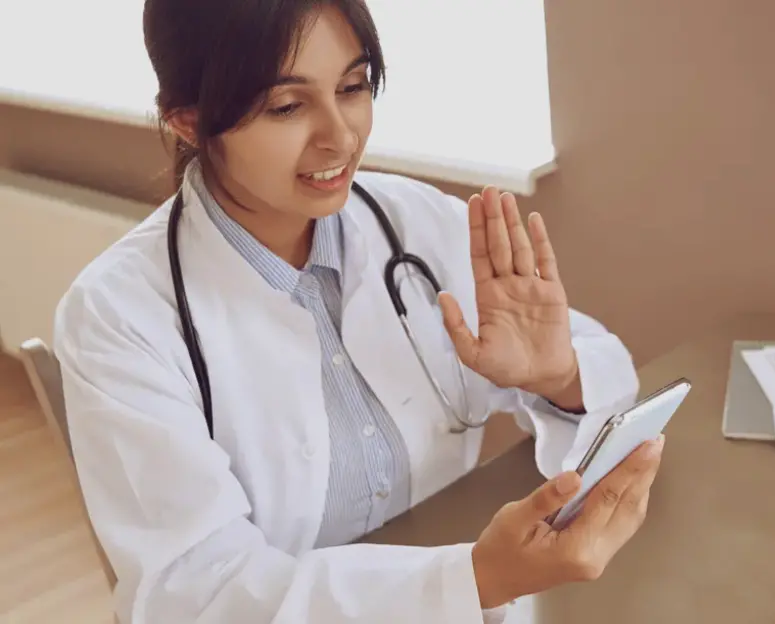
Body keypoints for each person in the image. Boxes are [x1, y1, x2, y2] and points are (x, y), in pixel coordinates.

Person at [53, 1, 665, 622]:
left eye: (352, 87)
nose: (341, 136)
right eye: (287, 106)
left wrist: (556, 379)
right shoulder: (120, 316)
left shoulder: (418, 223)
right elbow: (199, 594)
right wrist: (474, 579)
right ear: (188, 121)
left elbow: (611, 391)